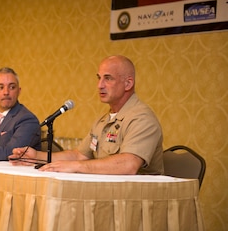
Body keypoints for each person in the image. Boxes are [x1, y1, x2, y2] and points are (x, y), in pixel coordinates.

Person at [10, 55, 164, 175]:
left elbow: (129, 164)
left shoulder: (142, 118)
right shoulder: (103, 120)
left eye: (108, 78)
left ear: (128, 84)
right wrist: (36, 155)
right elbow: (79, 155)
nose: (100, 85)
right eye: (99, 78)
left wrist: (75, 167)